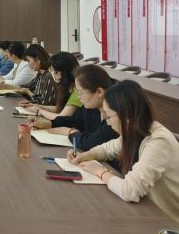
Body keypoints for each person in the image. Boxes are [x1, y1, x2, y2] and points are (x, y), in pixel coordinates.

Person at [68, 80, 179, 222]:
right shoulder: (137, 130)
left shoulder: (158, 141)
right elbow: (108, 148)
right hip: (146, 210)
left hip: (168, 221)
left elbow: (130, 190)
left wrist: (100, 172)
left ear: (126, 115)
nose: (108, 122)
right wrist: (84, 156)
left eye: (108, 116)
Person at [28, 64, 120, 159]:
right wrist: (49, 123)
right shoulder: (91, 106)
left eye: (81, 93)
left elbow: (93, 143)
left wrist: (70, 132)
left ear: (99, 92)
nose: (79, 97)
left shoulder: (114, 112)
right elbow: (75, 121)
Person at [20, 52, 82, 119]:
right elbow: (59, 108)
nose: (51, 73)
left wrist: (39, 110)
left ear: (59, 74)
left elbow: (62, 117)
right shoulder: (67, 88)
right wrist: (34, 106)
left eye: (51, 70)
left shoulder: (77, 92)